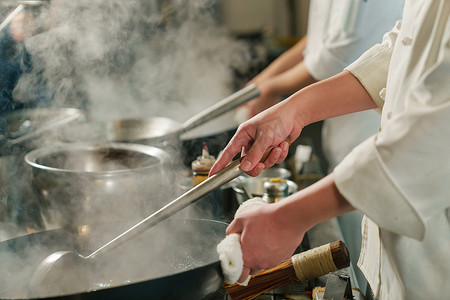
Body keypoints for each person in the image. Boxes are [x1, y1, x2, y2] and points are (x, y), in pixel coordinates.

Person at [209, 1, 450, 298]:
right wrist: (294, 109)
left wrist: (289, 217)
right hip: (395, 222)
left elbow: (434, 137)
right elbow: (405, 48)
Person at [240, 1, 404, 289]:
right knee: (371, 270)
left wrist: (289, 217)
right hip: (361, 156)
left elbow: (423, 144)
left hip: (378, 156)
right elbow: (397, 52)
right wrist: (291, 108)